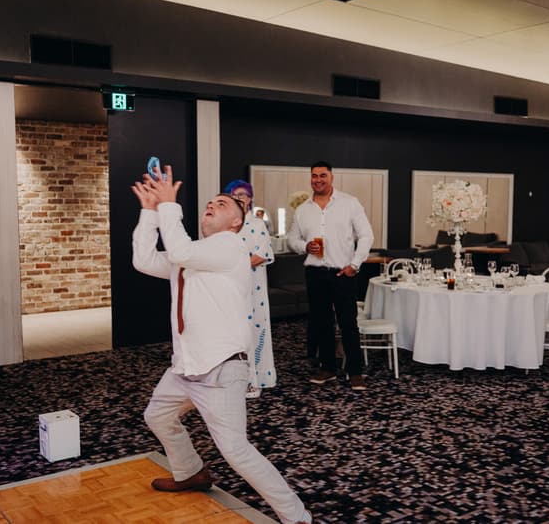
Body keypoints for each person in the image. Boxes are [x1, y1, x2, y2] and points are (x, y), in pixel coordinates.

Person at [131, 165, 311, 524]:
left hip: (221, 368)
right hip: (185, 368)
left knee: (236, 451)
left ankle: (296, 517)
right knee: (158, 416)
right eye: (209, 202)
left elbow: (179, 251)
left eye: (223, 203)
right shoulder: (194, 254)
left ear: (236, 223)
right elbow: (143, 260)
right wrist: (149, 212)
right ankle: (190, 472)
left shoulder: (231, 246)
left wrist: (168, 206)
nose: (212, 205)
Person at [287, 161, 374, 391]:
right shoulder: (303, 209)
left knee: (348, 323)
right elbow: (291, 239)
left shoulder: (349, 203)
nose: (318, 180)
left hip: (343, 273)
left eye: (323, 175)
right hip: (315, 274)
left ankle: (355, 371)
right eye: (314, 176)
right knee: (321, 323)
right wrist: (305, 246)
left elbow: (366, 235)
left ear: (332, 177)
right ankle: (328, 368)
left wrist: (355, 264)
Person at [224, 179, 276, 398]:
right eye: (235, 195)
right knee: (231, 334)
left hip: (253, 288)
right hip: (228, 288)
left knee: (253, 333)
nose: (240, 198)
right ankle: (232, 380)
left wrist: (232, 263)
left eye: (244, 194)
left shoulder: (257, 223)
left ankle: (254, 380)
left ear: (250, 199)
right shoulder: (225, 225)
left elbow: (261, 255)